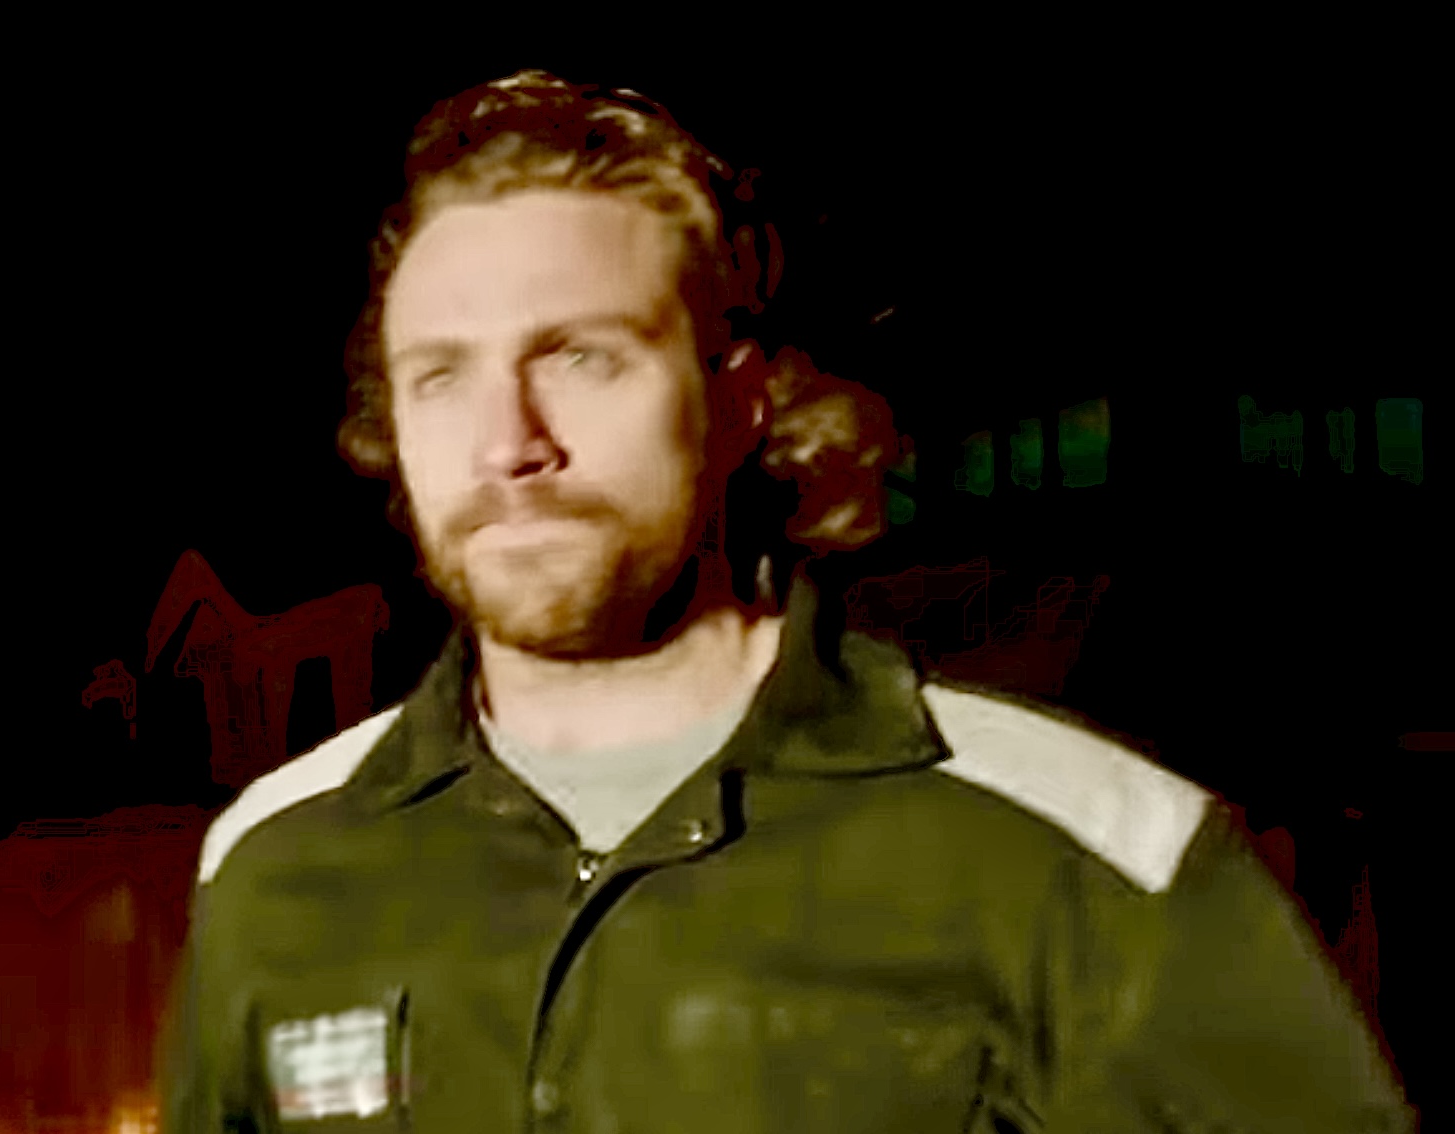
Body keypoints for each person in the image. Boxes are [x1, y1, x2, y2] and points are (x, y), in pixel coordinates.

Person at [157, 71, 1412, 1132]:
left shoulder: (1093, 858)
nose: (508, 443)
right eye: (440, 377)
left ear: (740, 398)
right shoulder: (272, 867)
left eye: (581, 357)